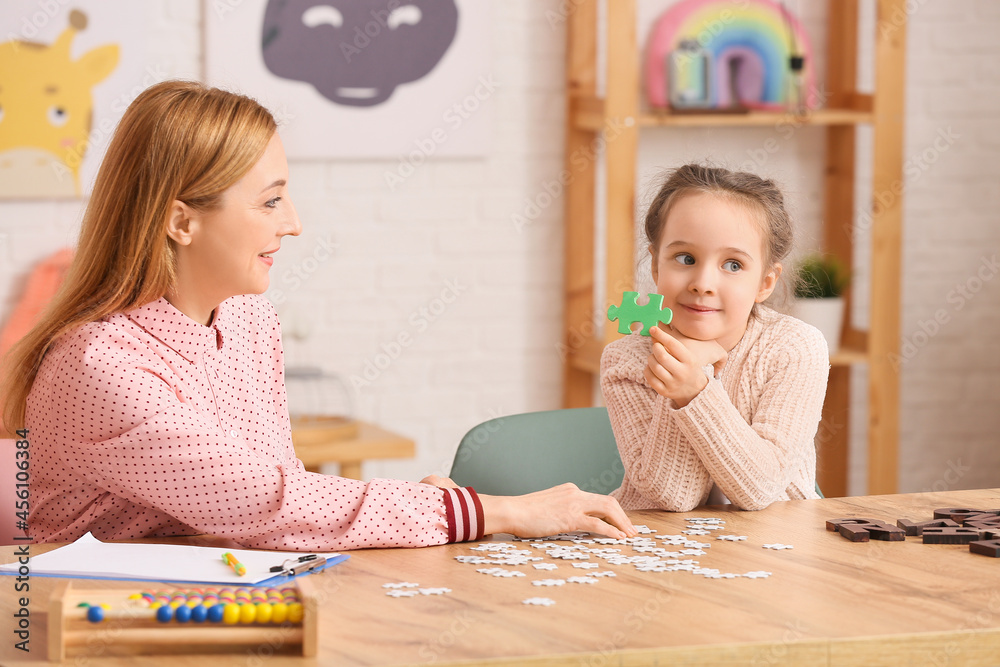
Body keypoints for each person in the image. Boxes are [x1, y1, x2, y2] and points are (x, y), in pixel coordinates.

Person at [1, 80, 636, 550]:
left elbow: (282, 491)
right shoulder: (99, 368)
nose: (294, 224)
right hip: (101, 630)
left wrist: (417, 511)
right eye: (270, 201)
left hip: (225, 605)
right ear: (181, 221)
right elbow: (269, 505)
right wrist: (495, 511)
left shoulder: (249, 320)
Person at [601, 164, 829, 512]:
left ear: (765, 283)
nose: (703, 283)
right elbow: (673, 497)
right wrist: (681, 385)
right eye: (685, 258)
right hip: (657, 550)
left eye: (733, 265)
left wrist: (696, 391)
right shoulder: (624, 360)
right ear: (656, 266)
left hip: (775, 550)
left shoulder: (795, 348)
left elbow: (760, 489)